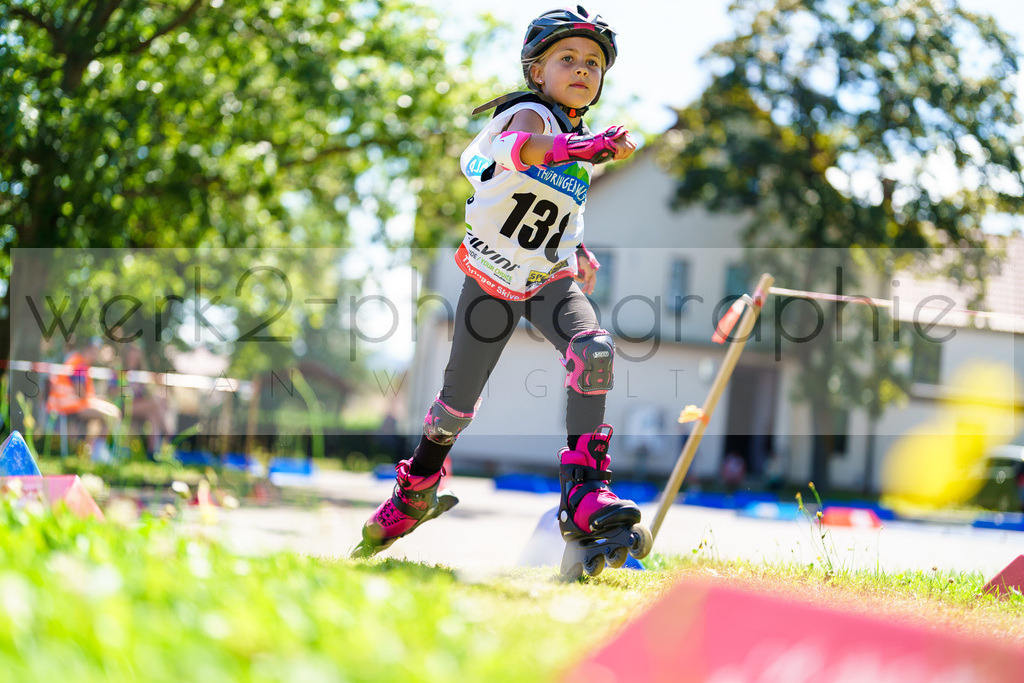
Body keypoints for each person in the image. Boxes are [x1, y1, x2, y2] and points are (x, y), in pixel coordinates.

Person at [354, 7, 651, 576]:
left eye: (593, 62)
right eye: (568, 58)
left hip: (547, 281)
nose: (582, 69)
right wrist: (580, 150)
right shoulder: (528, 114)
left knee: (593, 351)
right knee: (453, 411)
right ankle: (415, 487)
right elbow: (519, 152)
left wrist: (579, 250)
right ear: (537, 71)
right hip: (490, 282)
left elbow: (554, 215)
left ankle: (585, 491)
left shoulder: (572, 139)